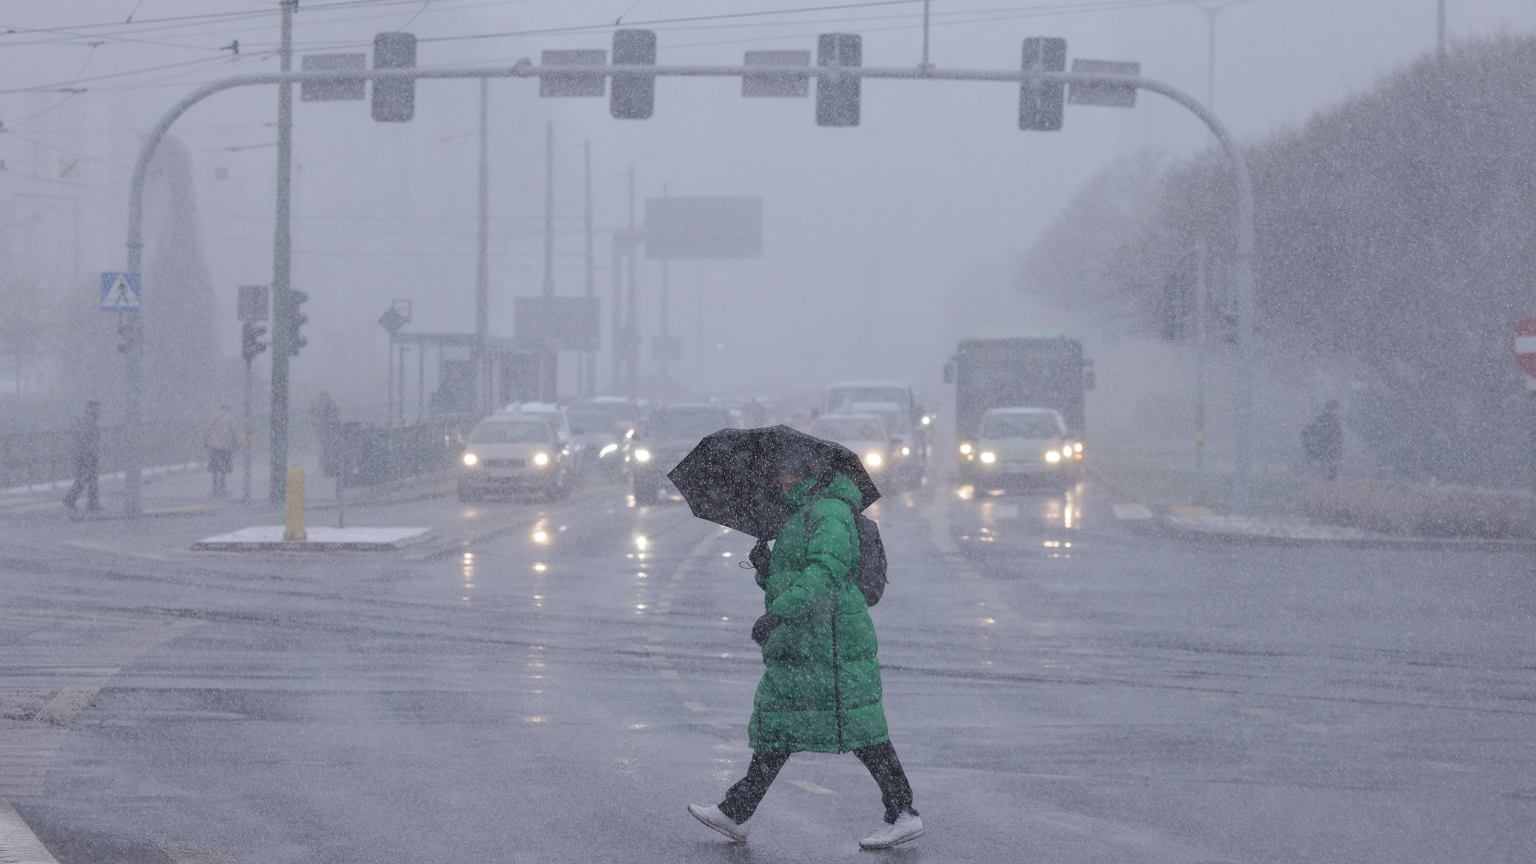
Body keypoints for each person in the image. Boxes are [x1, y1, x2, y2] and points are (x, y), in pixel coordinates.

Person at [688, 459, 923, 850]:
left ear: (801, 472)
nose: (773, 480)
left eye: (778, 472)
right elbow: (797, 576)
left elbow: (825, 573)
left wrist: (778, 613)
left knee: (859, 728)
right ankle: (736, 812)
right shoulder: (802, 513)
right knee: (782, 726)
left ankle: (903, 812)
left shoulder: (828, 511)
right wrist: (766, 569)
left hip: (831, 641)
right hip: (806, 642)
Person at [63, 400, 101, 513]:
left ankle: (93, 503)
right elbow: (88, 440)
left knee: (91, 478)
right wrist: (92, 455)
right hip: (86, 455)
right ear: (91, 409)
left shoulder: (88, 420)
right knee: (85, 478)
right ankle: (70, 499)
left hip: (84, 454)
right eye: (98, 408)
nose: (100, 411)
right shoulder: (88, 422)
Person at [1302, 400, 1343, 480]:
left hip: (1328, 444)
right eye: (1333, 409)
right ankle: (1327, 478)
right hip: (1326, 444)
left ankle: (1328, 477)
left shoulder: (1330, 420)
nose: (1334, 411)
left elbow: (1337, 434)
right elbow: (1314, 429)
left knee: (1329, 461)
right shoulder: (1326, 419)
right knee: (1328, 461)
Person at [205, 405, 239, 497]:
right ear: (228, 409)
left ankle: (215, 485)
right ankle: (222, 484)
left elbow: (208, 430)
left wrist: (206, 441)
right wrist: (236, 442)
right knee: (224, 465)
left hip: (213, 445)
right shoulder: (229, 417)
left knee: (214, 466)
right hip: (225, 445)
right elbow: (234, 431)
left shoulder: (213, 416)